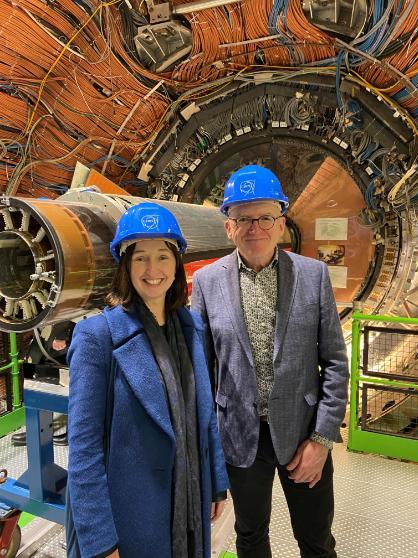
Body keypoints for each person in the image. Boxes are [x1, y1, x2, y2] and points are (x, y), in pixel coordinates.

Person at [191, 165, 349, 558]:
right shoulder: (208, 283)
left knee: (316, 541)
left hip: (303, 434)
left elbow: (334, 363)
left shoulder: (313, 276)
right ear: (229, 227)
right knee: (250, 538)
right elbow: (202, 373)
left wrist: (322, 440)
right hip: (240, 439)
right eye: (243, 218)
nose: (254, 228)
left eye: (265, 217)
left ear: (281, 224)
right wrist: (208, 456)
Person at [67, 202, 228, 558]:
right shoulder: (97, 338)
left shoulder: (191, 329)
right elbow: (83, 450)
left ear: (177, 264)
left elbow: (204, 415)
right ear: (125, 265)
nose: (152, 269)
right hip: (129, 519)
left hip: (188, 504)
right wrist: (100, 542)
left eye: (163, 256)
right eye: (140, 257)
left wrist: (216, 481)